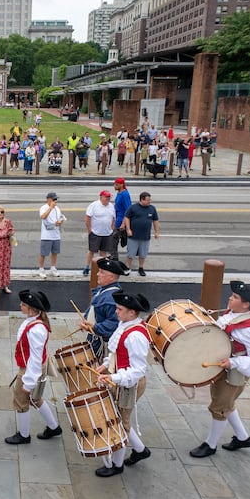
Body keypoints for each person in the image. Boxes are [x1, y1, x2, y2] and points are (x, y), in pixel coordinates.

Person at [190, 281, 250, 459]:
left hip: (234, 372)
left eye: (235, 297)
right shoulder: (230, 314)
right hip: (222, 368)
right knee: (226, 404)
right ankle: (243, 438)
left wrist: (233, 363)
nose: (230, 298)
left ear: (246, 304)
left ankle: (210, 445)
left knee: (219, 407)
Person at [93, 291, 152, 477]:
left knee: (120, 423)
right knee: (119, 417)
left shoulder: (136, 336)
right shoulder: (125, 324)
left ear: (132, 313)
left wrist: (114, 378)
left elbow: (138, 370)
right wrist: (104, 366)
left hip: (129, 384)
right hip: (120, 377)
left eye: (120, 309)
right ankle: (141, 450)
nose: (116, 312)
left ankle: (116, 465)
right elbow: (115, 352)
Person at [5, 289, 62, 444]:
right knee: (35, 399)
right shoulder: (35, 322)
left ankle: (24, 435)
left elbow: (35, 360)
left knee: (20, 401)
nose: (20, 305)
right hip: (32, 368)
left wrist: (28, 383)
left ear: (33, 309)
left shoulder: (36, 329)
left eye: (23, 304)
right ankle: (53, 426)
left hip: (30, 370)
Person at [79, 257, 127, 358]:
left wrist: (94, 327)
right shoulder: (102, 289)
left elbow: (113, 324)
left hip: (103, 345)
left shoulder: (111, 299)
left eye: (102, 272)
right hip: (94, 338)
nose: (97, 274)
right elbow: (93, 307)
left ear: (112, 277)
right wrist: (86, 320)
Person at [124, 192, 160, 276]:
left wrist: (156, 232)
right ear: (142, 200)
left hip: (145, 236)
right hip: (133, 236)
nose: (149, 201)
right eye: (147, 200)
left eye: (150, 200)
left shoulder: (152, 208)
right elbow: (127, 218)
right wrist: (128, 229)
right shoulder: (133, 208)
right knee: (130, 253)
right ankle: (127, 267)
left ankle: (141, 268)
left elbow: (155, 220)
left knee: (143, 253)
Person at [84, 190, 115, 276]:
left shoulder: (111, 206)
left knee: (103, 252)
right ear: (101, 197)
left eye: (109, 197)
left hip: (107, 233)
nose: (108, 199)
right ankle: (87, 267)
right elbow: (88, 217)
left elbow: (113, 218)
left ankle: (102, 268)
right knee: (92, 251)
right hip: (96, 232)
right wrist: (90, 230)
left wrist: (112, 229)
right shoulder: (94, 205)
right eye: (106, 197)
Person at [38, 192, 64, 278]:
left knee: (55, 252)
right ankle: (41, 269)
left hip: (56, 234)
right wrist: (50, 207)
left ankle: (53, 268)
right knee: (43, 253)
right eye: (54, 199)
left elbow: (59, 217)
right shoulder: (43, 208)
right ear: (48, 199)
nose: (55, 201)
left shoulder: (57, 208)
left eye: (56, 200)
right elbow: (43, 216)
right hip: (46, 235)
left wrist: (60, 221)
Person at [112, 179, 132, 260]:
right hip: (117, 219)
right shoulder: (119, 193)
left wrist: (123, 223)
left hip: (120, 221)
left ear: (121, 185)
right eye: (114, 184)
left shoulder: (125, 194)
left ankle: (114, 257)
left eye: (116, 185)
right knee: (117, 239)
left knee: (113, 240)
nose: (114, 186)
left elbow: (128, 209)